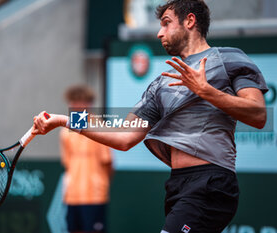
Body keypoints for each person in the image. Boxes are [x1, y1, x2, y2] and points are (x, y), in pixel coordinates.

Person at [32, 0, 268, 232]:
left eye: (166, 23)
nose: (159, 33)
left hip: (212, 182)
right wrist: (65, 120)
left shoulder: (230, 59)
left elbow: (258, 115)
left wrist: (206, 91)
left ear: (190, 21)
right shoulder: (160, 85)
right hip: (178, 185)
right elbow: (124, 137)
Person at [60, 85, 113, 233]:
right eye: (73, 102)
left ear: (88, 104)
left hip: (95, 196)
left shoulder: (99, 126)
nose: (75, 106)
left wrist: (100, 185)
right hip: (72, 196)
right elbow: (67, 164)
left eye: (80, 102)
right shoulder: (65, 131)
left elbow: (108, 162)